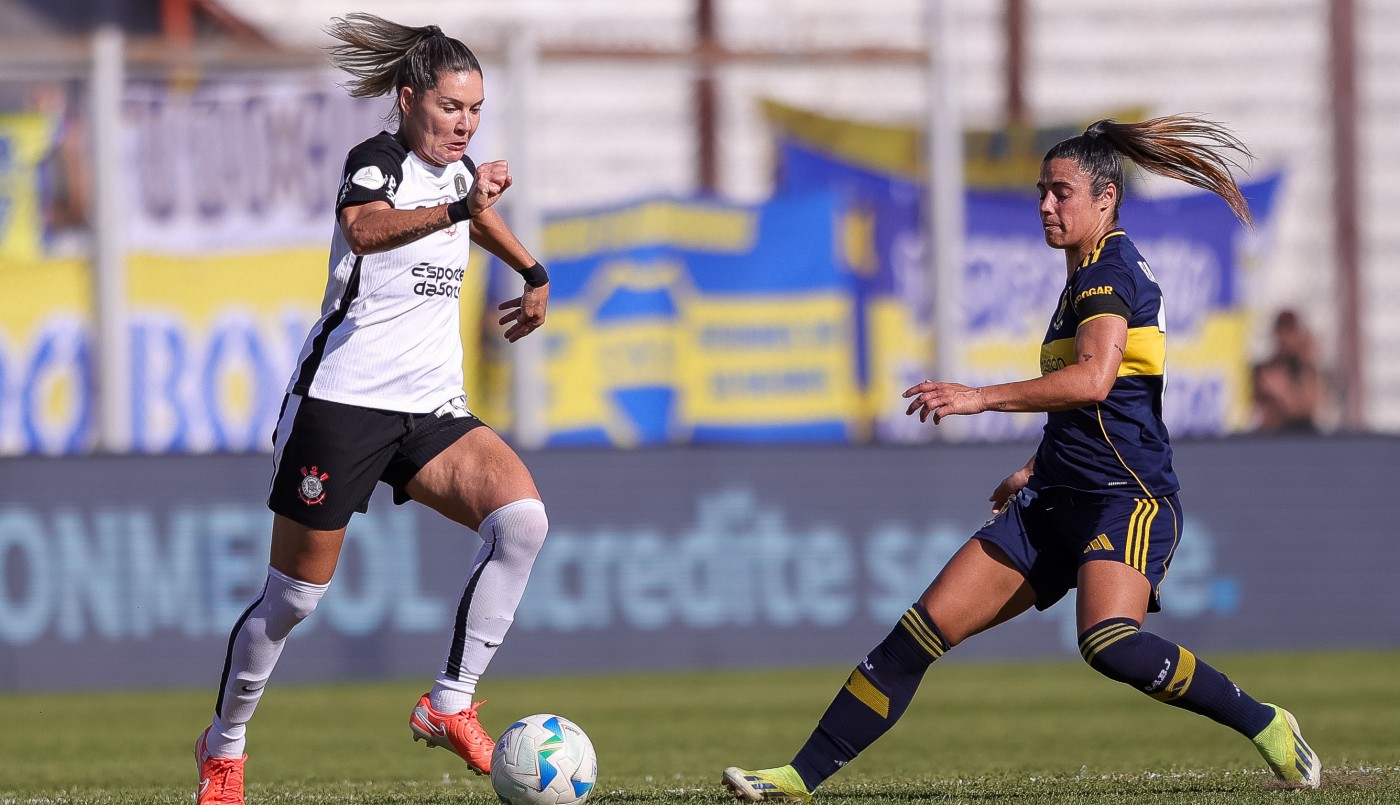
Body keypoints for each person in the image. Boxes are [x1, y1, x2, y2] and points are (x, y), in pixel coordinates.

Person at [721, 116, 1321, 802]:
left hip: (1125, 498)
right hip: (1055, 497)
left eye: (1061, 192)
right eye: (1041, 191)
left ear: (1106, 199)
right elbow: (1094, 407)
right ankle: (797, 778)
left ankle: (1266, 722)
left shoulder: (1109, 273)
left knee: (1109, 641)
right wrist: (1038, 468)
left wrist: (978, 397)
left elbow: (1093, 381)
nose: (1046, 205)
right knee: (918, 632)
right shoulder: (1083, 276)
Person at [194, 14, 552, 805]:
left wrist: (532, 270)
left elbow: (475, 210)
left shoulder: (458, 177)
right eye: (451, 107)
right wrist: (459, 209)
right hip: (341, 403)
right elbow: (363, 230)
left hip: (430, 407)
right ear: (409, 99)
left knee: (522, 521)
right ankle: (223, 747)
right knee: (293, 599)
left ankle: (450, 702)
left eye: (476, 110)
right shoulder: (375, 161)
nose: (464, 124)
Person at [1251, 309, 1322, 433]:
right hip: (1276, 437)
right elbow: (1266, 415)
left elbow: (1308, 407)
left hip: (1304, 434)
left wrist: (1283, 392)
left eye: (1290, 332)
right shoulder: (1267, 369)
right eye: (1281, 332)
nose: (1285, 338)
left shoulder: (1305, 367)